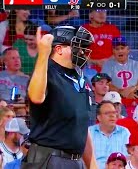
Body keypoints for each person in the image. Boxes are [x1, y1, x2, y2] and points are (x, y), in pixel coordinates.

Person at [21, 26, 97, 168]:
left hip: (76, 162)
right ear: (59, 49)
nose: (82, 52)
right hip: (48, 159)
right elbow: (36, 97)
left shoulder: (82, 79)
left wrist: (92, 166)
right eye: (77, 47)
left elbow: (82, 127)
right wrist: (43, 54)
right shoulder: (45, 72)